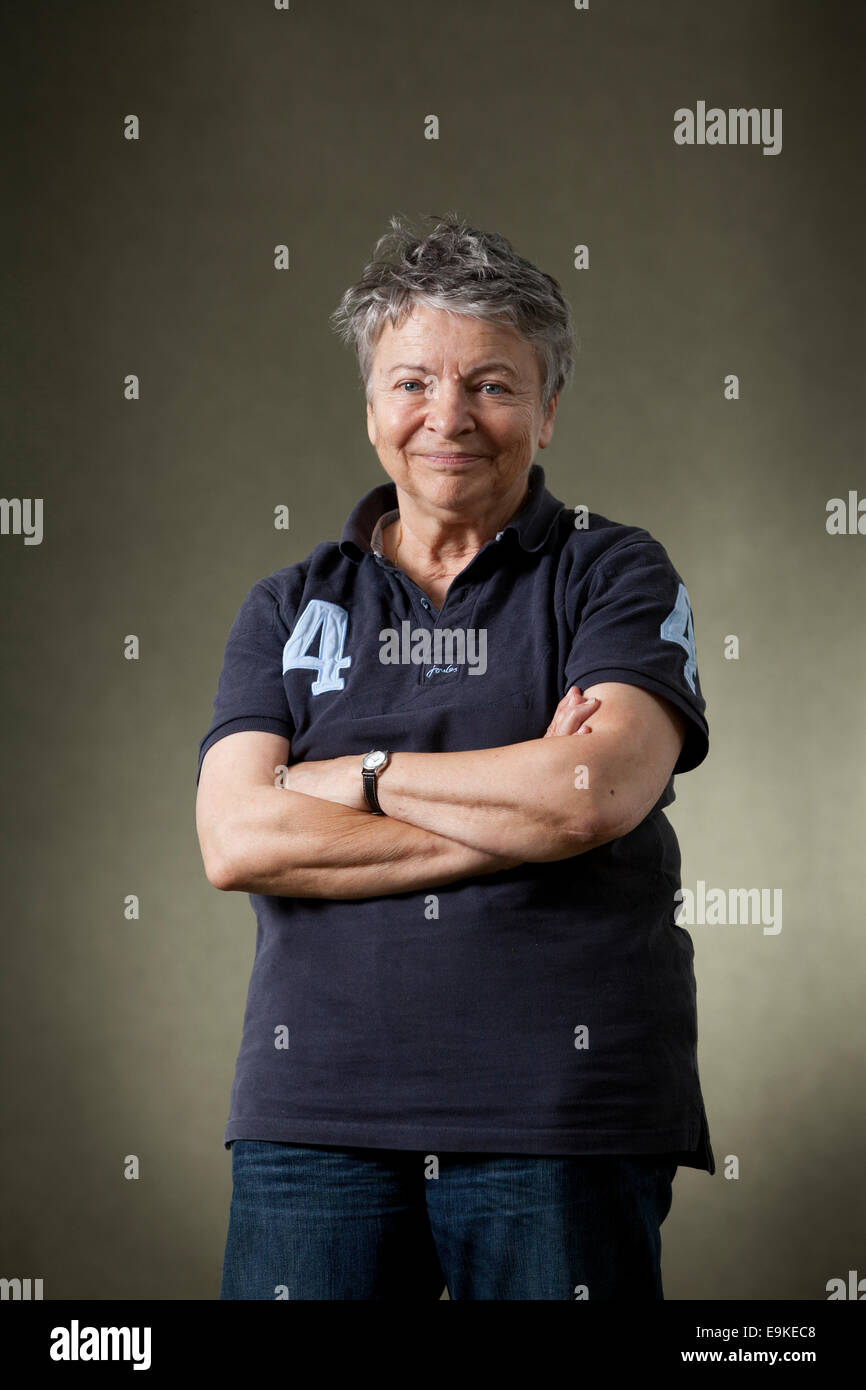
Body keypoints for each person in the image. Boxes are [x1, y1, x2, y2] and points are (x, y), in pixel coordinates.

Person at [195, 213, 714, 1301]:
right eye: (411, 383)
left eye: (491, 385)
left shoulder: (613, 575)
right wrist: (517, 808)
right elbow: (237, 836)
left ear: (547, 408)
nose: (449, 418)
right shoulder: (288, 604)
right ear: (371, 406)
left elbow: (590, 792)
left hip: (558, 1116)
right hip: (313, 1116)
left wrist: (356, 777)